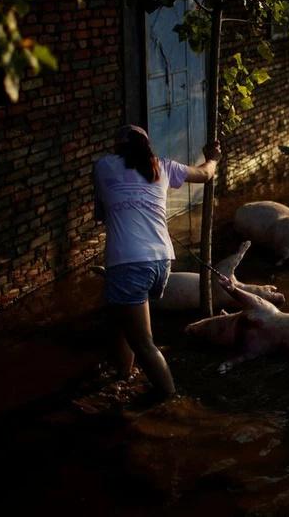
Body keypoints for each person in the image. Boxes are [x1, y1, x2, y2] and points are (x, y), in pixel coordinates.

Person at [93, 124, 221, 398]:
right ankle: (123, 374)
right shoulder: (162, 166)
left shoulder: (104, 166)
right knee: (118, 319)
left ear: (117, 146)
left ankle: (169, 398)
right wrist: (213, 157)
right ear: (147, 146)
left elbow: (101, 214)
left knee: (144, 343)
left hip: (128, 263)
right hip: (162, 261)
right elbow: (206, 174)